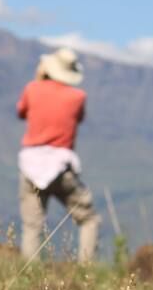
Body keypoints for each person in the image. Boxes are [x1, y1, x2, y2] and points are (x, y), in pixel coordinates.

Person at [15, 47, 101, 262]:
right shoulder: (78, 97)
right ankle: (85, 269)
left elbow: (21, 112)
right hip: (62, 168)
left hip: (30, 165)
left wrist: (38, 80)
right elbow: (78, 119)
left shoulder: (32, 89)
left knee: (32, 226)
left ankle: (30, 273)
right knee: (89, 219)